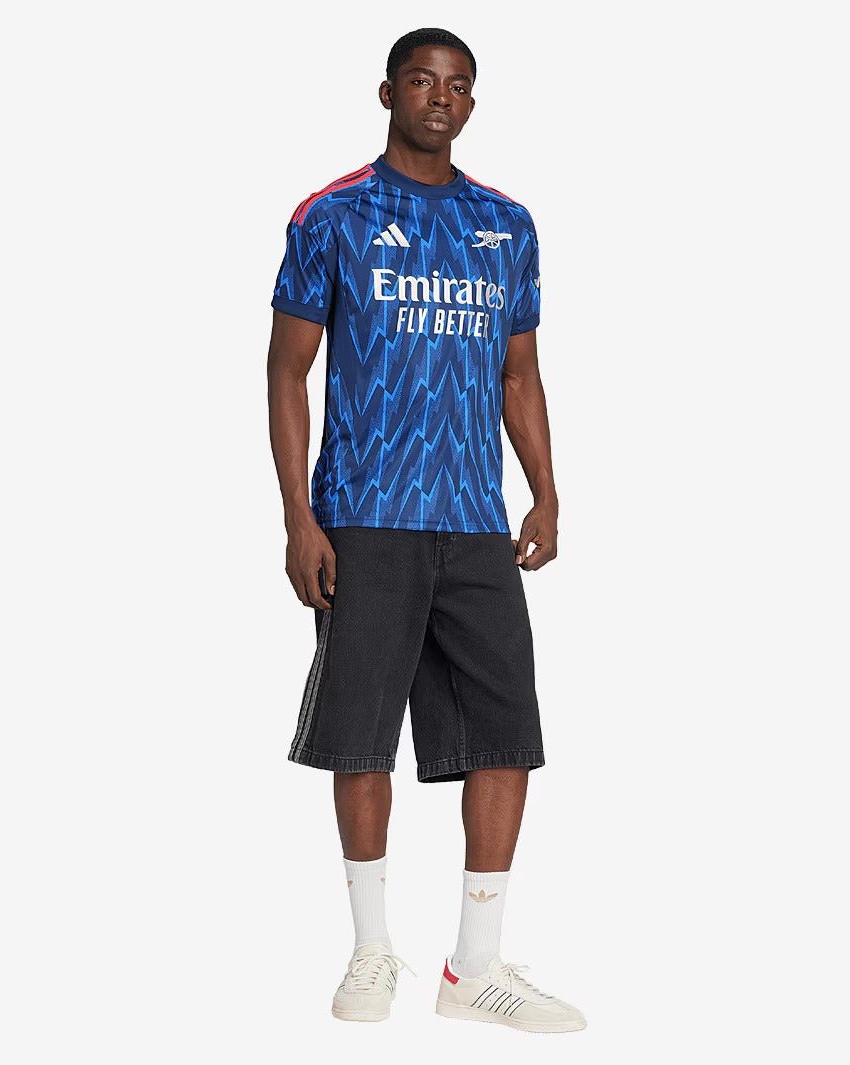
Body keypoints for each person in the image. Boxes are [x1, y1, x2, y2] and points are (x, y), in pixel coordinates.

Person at [266, 27, 585, 1034]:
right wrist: (299, 516)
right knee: (361, 738)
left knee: (506, 733)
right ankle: (371, 950)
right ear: (388, 93)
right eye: (421, 80)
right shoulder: (332, 215)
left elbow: (520, 374)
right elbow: (287, 370)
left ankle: (474, 969)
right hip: (364, 515)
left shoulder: (506, 225)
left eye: (457, 85)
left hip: (474, 521)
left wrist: (545, 492)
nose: (439, 97)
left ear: (471, 103)